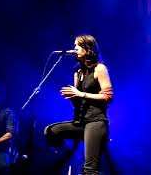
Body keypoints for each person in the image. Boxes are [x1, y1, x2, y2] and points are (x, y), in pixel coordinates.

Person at [44, 34, 113, 175]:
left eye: (77, 45)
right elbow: (77, 103)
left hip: (96, 122)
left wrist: (81, 94)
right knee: (50, 131)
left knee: (89, 169)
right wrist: (72, 97)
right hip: (81, 122)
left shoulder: (100, 68)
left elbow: (108, 96)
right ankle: (70, 154)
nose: (74, 48)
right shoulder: (78, 71)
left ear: (88, 48)